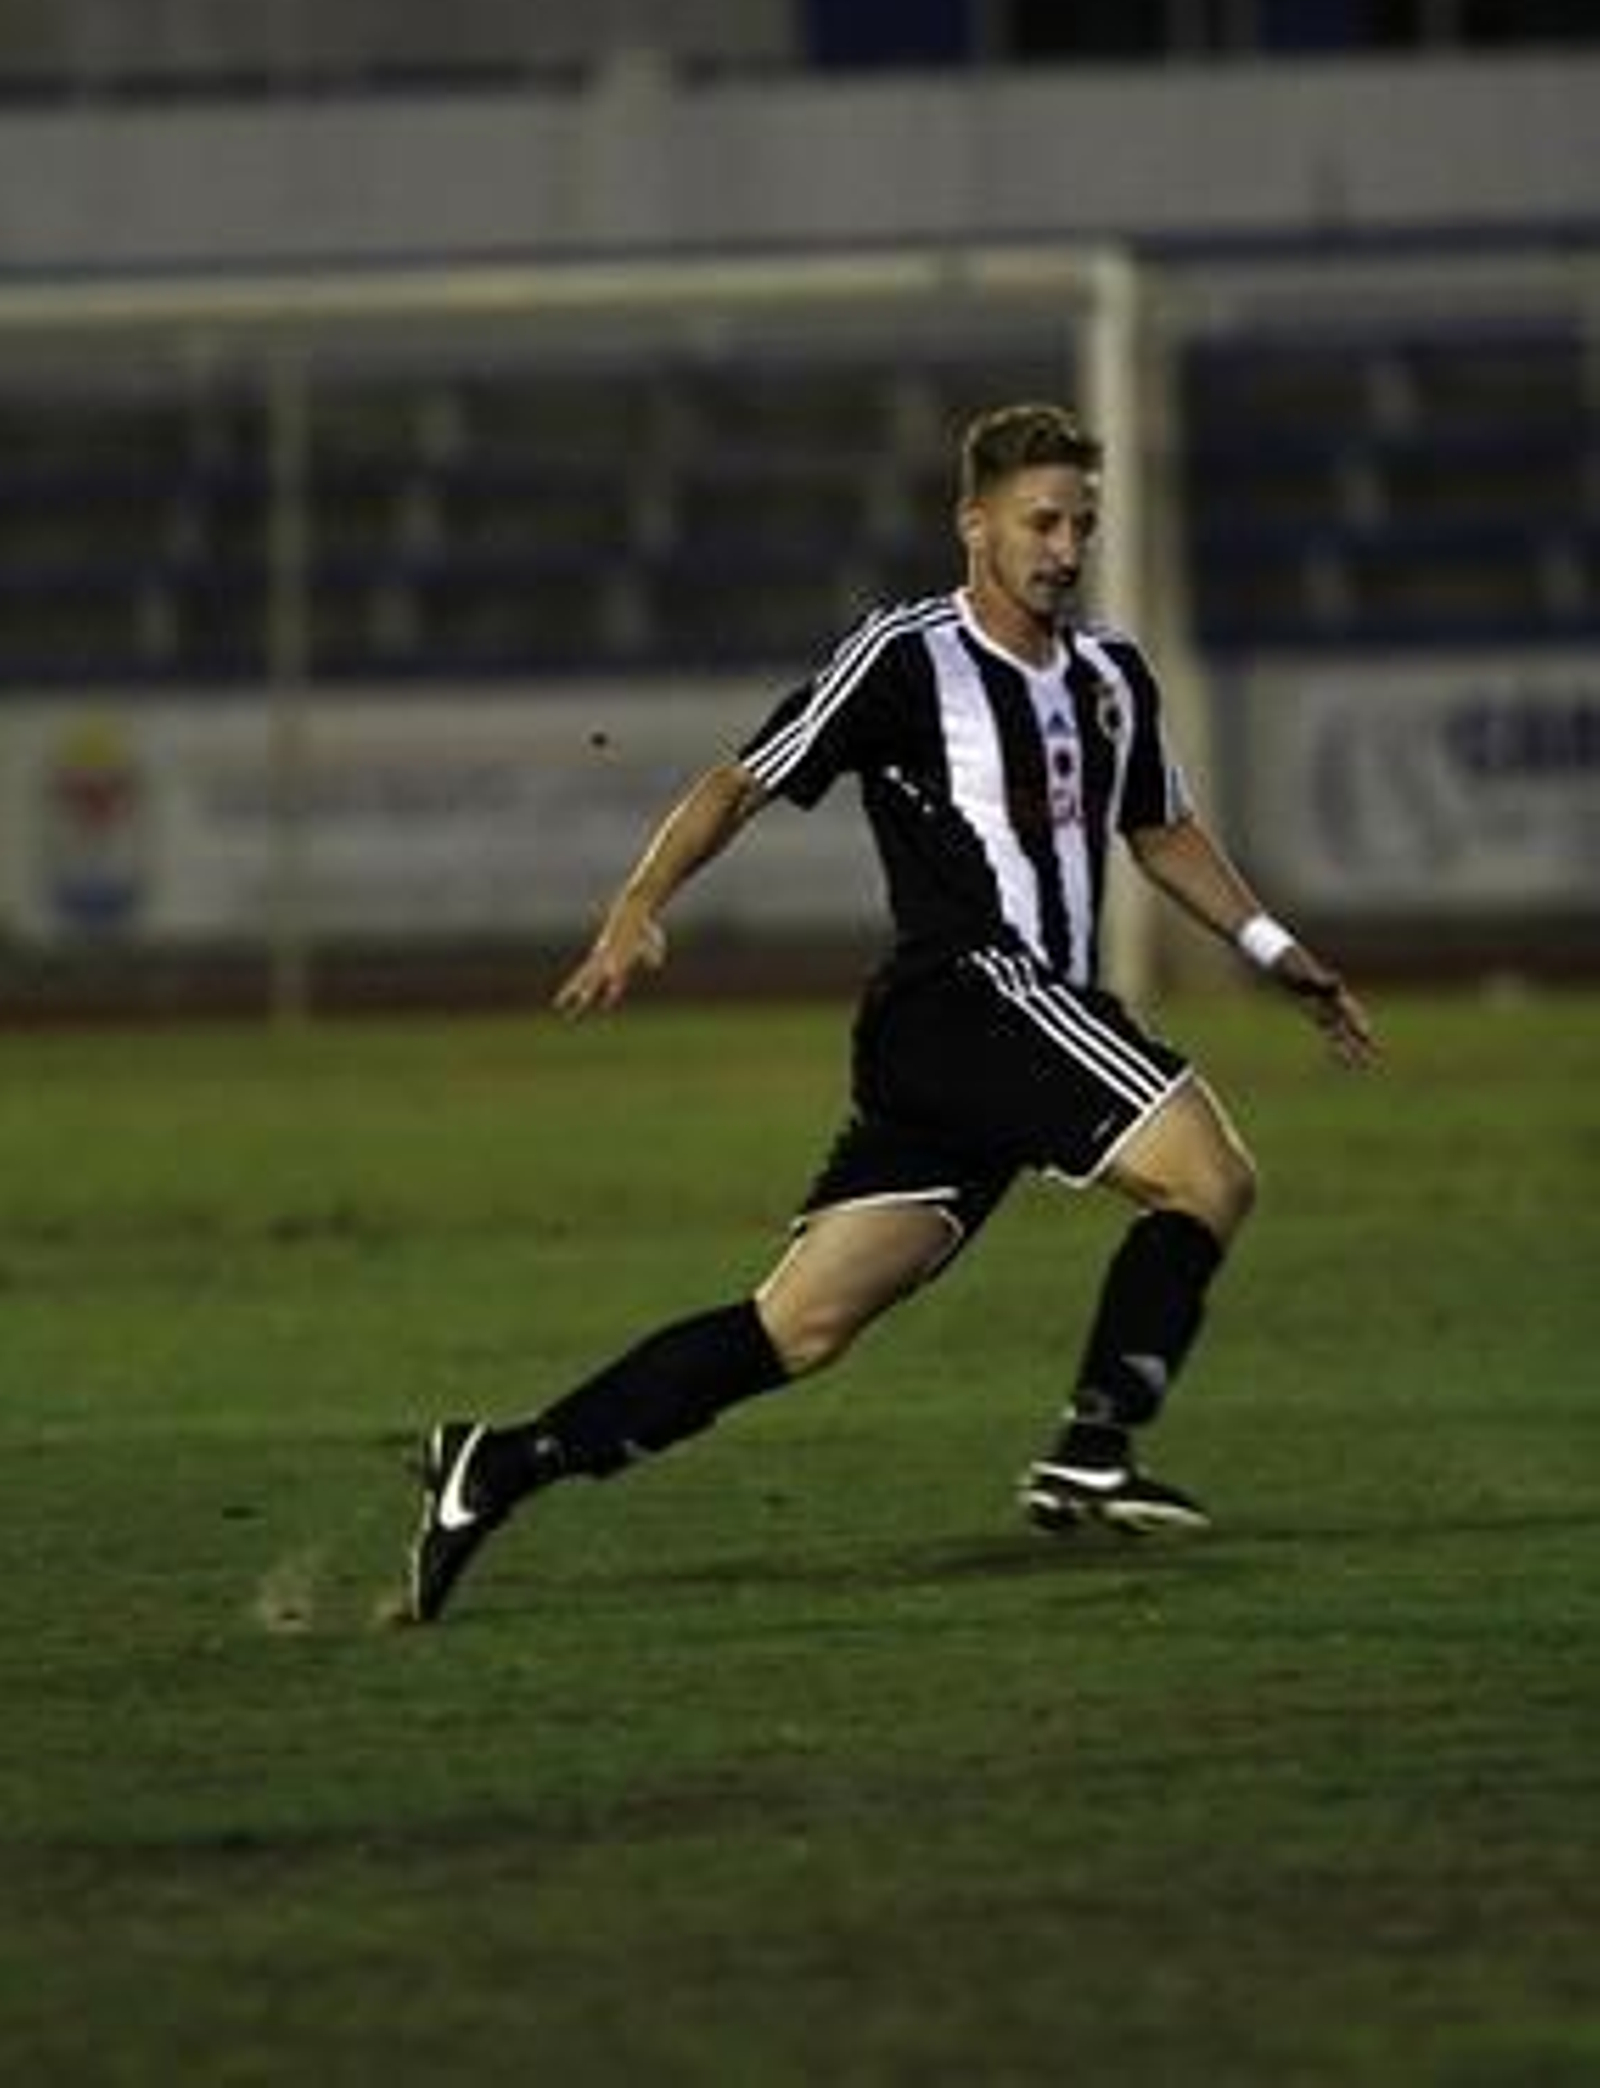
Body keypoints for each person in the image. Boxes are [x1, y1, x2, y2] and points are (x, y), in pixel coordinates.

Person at [405, 399, 1375, 1624]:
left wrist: (1274, 950)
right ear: (973, 525)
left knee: (798, 1327)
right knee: (1210, 1177)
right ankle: (1093, 1446)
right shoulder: (905, 655)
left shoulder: (1109, 674)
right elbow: (741, 780)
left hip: (993, 1038)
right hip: (970, 994)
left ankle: (497, 1465)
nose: (1065, 549)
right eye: (1040, 522)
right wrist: (638, 903)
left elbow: (1160, 828)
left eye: (1080, 524)